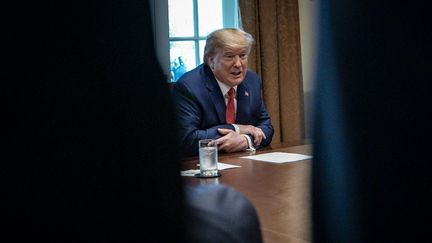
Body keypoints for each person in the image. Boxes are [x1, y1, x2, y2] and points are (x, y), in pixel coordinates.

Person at [172, 28, 274, 156]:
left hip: (244, 164)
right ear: (211, 61)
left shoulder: (252, 81)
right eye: (229, 56)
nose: (238, 64)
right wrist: (237, 128)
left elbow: (266, 127)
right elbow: (186, 139)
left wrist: (245, 139)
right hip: (202, 165)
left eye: (242, 55)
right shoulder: (189, 87)